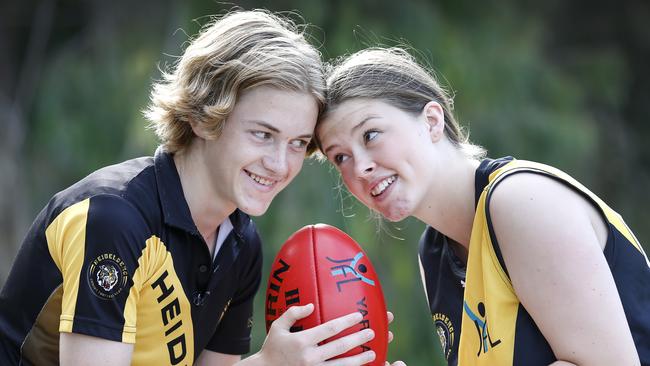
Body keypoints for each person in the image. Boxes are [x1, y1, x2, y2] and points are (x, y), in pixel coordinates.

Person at [0, 10, 393, 366]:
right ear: (205, 118)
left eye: (296, 143)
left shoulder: (239, 244)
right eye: (262, 134)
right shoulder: (113, 217)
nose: (280, 164)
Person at [315, 47, 650, 365]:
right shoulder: (434, 252)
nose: (359, 168)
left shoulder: (521, 201)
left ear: (431, 121)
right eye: (340, 157)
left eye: (370, 135)